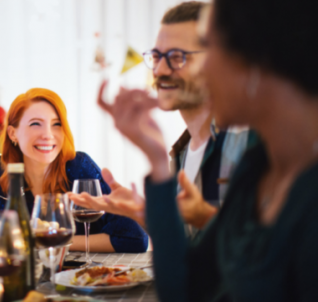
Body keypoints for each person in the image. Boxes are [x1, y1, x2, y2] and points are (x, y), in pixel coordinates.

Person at [78, 0, 318, 300]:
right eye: (156, 56)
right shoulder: (256, 168)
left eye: (212, 49)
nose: (159, 71)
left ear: (260, 58)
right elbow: (186, 287)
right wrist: (158, 167)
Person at [71, 1, 256, 232]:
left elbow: (271, 252)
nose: (160, 70)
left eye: (177, 56)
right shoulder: (181, 152)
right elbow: (186, 254)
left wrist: (201, 217)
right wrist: (146, 213)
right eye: (157, 56)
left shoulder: (252, 142)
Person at [0, 88, 148, 253]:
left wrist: (48, 239)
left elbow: (134, 238)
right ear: (13, 133)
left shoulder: (79, 167)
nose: (48, 134)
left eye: (56, 124)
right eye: (36, 124)